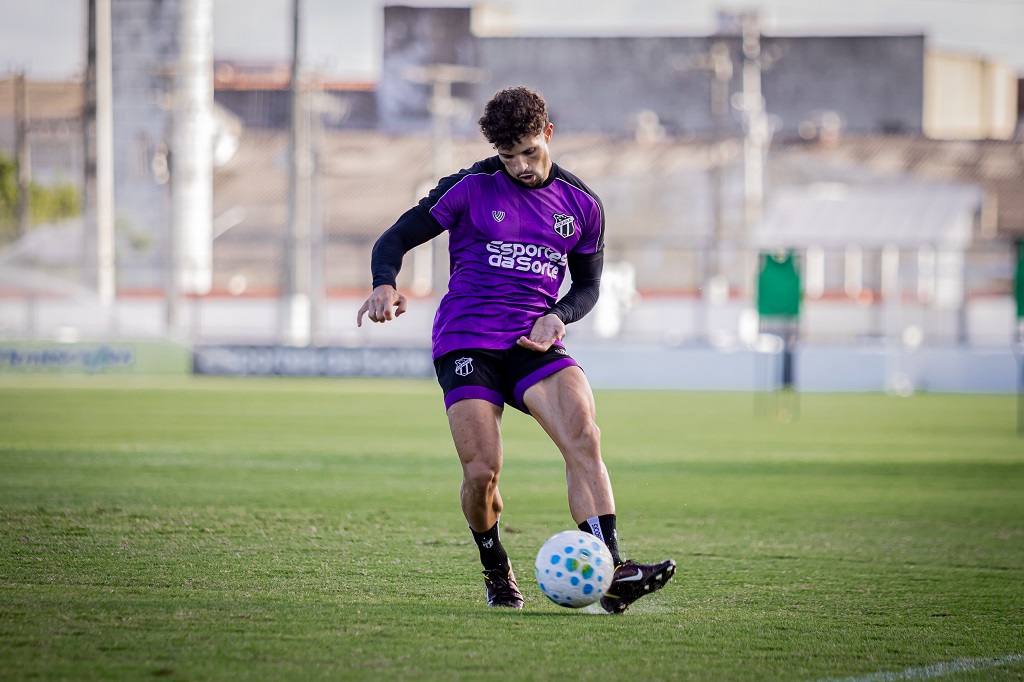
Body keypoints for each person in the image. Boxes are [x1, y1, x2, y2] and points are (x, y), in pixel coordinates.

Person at [357, 86, 675, 613]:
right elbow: (393, 239)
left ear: (547, 134)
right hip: (466, 339)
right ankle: (495, 567)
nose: (521, 167)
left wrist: (559, 315)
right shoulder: (468, 186)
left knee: (583, 434)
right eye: (509, 157)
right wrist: (383, 283)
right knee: (482, 472)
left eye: (529, 151)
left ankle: (611, 570)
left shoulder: (582, 205)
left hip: (532, 340)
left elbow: (588, 287)